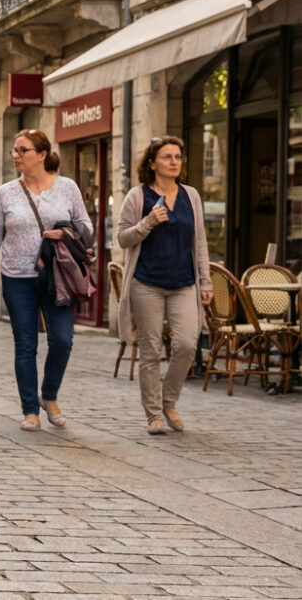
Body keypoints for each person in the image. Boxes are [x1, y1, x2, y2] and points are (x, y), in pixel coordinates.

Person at [0, 129, 92, 432]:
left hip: (57, 275)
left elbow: (86, 226)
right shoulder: (6, 193)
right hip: (18, 278)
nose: (16, 155)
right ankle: (30, 409)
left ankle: (49, 395)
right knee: (25, 344)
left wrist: (63, 233)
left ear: (42, 155)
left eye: (23, 150)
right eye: (14, 151)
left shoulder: (67, 187)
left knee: (62, 340)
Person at [117, 136, 212, 435]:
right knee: (150, 350)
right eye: (167, 157)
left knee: (186, 345)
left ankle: (169, 400)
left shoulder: (191, 196)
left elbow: (200, 241)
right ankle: (154, 415)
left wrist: (205, 280)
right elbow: (122, 238)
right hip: (147, 283)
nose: (174, 162)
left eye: (178, 157)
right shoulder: (137, 196)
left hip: (184, 283)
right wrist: (147, 222)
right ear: (152, 163)